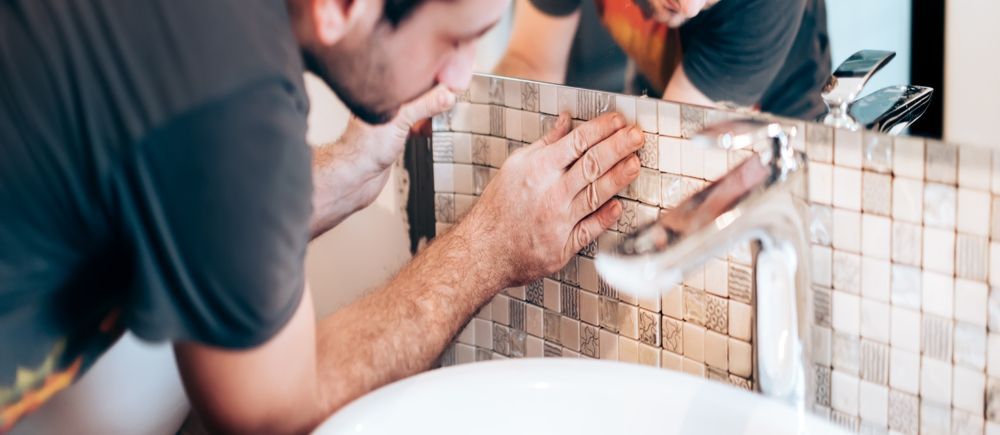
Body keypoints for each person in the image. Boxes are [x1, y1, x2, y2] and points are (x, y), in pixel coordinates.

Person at [0, 0, 646, 432]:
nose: (459, 75)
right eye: (454, 40)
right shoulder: (230, 97)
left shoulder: (202, 38)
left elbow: (189, 205)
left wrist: (339, 175)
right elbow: (272, 412)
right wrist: (491, 246)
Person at [495, 0, 832, 119]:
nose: (689, 8)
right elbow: (531, 63)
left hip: (776, 119)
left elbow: (675, 151)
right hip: (658, 78)